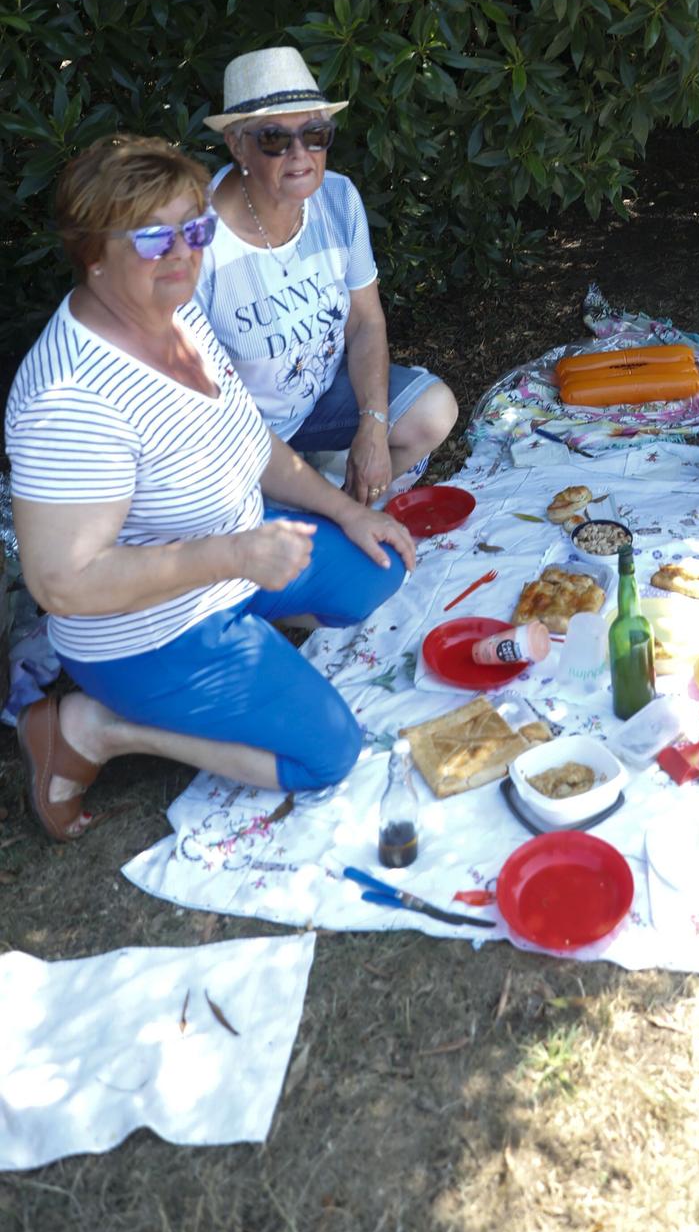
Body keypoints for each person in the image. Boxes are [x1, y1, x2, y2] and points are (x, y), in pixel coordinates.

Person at [7, 136, 416, 840]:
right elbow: (63, 585)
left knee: (379, 569)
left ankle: (248, 657)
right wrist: (235, 556)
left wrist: (348, 511)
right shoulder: (68, 397)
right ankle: (94, 728)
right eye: (152, 237)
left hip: (230, 570)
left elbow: (251, 444)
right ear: (91, 251)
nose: (182, 254)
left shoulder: (178, 312)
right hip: (143, 631)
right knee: (327, 754)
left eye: (194, 230)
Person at [196, 46, 457, 505]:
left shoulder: (337, 197)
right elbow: (201, 407)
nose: (301, 153)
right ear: (237, 144)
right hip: (239, 436)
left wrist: (373, 428)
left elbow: (365, 322)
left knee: (433, 411)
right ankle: (324, 508)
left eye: (315, 134)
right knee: (265, 544)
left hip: (320, 401)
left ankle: (343, 502)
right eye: (275, 139)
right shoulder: (197, 240)